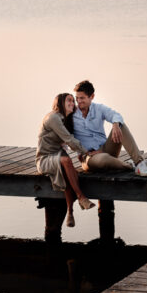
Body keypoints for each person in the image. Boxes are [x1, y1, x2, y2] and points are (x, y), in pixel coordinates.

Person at [36, 92, 95, 228]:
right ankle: (81, 197)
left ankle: (70, 212)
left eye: (72, 101)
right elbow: (69, 140)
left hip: (58, 154)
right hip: (45, 158)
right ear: (60, 103)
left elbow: (72, 139)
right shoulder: (53, 118)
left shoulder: (66, 120)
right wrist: (87, 152)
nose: (72, 103)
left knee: (69, 175)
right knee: (67, 162)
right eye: (68, 101)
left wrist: (87, 150)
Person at [72, 79, 147, 176]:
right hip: (88, 157)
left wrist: (115, 125)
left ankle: (139, 162)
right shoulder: (71, 114)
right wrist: (84, 152)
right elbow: (65, 135)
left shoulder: (98, 108)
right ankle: (131, 165)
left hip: (106, 149)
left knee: (120, 124)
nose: (79, 101)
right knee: (103, 159)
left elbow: (116, 115)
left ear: (92, 96)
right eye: (77, 98)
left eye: (82, 98)